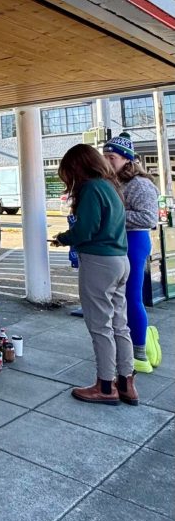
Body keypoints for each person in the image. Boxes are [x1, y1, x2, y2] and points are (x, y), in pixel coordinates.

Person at [52, 144, 138, 406]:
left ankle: (104, 386)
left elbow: (86, 230)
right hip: (120, 260)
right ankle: (126, 383)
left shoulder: (90, 188)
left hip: (99, 262)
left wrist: (62, 238)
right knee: (119, 324)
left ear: (78, 166)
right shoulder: (111, 186)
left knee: (100, 326)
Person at [103, 132, 162, 372]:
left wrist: (112, 217)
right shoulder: (113, 182)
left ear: (127, 159)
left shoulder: (141, 184)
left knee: (131, 297)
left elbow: (148, 217)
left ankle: (139, 352)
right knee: (118, 299)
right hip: (117, 242)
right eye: (105, 156)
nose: (107, 162)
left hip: (134, 242)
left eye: (112, 157)